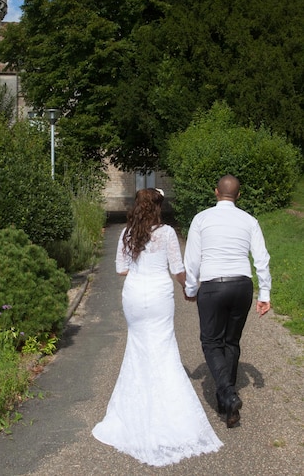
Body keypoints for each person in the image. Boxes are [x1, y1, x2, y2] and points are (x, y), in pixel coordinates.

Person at [92, 188, 222, 467]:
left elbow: (120, 269)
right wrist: (189, 289)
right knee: (162, 347)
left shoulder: (127, 233)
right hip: (160, 294)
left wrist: (142, 268)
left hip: (135, 294)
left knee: (138, 348)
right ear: (158, 207)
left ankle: (135, 410)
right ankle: (169, 412)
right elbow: (177, 268)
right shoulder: (166, 234)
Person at [184, 174, 271, 429]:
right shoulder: (249, 220)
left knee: (211, 342)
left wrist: (190, 288)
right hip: (242, 285)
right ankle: (226, 402)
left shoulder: (201, 219)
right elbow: (261, 258)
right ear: (239, 195)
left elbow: (192, 259)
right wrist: (264, 294)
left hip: (212, 285)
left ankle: (228, 394)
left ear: (215, 192)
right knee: (231, 341)